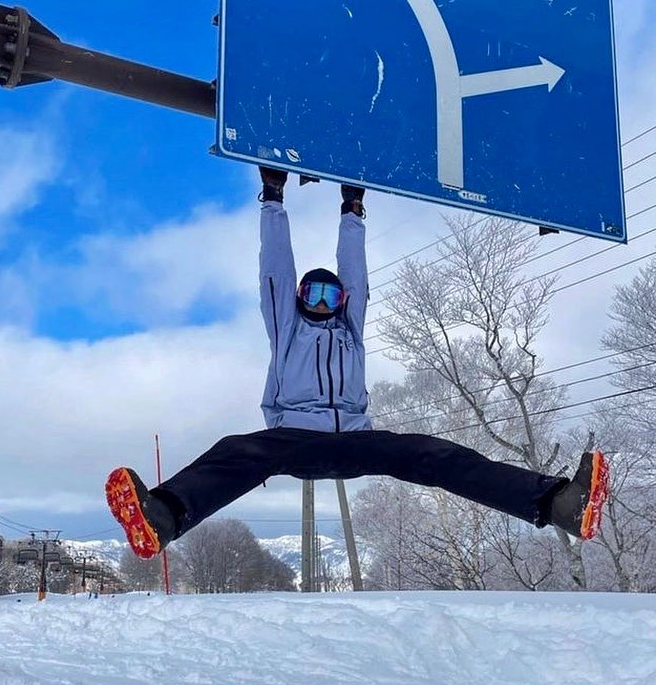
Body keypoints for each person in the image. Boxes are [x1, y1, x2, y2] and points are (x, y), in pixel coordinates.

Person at [106, 168, 609, 559]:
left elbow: (356, 273)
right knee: (238, 450)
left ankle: (558, 504)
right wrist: (273, 200)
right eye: (313, 292)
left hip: (358, 439)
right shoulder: (287, 329)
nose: (323, 302)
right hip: (296, 439)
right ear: (300, 297)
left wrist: (353, 208)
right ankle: (163, 516)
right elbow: (275, 268)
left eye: (332, 294)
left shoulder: (351, 330)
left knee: (435, 454)